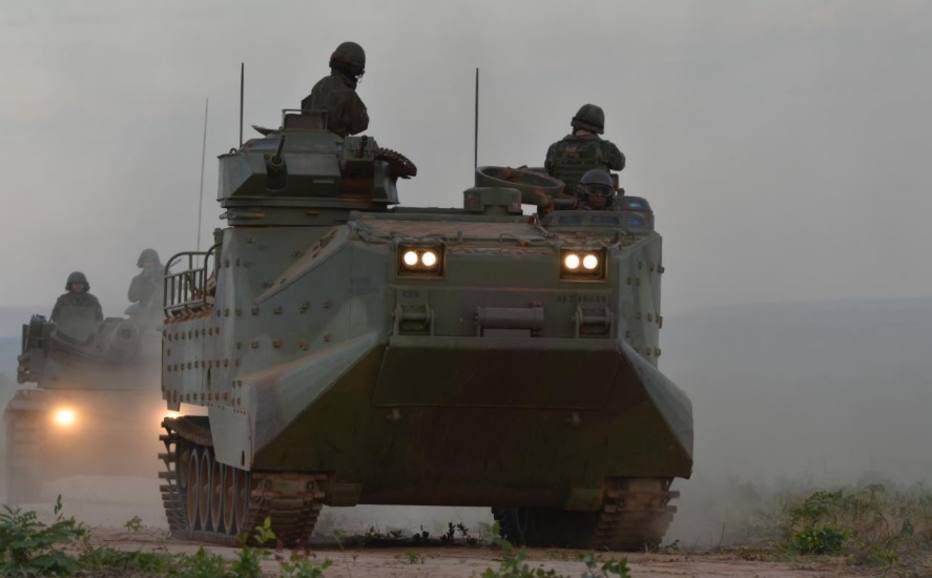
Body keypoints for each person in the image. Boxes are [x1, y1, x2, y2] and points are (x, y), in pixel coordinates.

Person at [544, 104, 625, 192]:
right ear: (597, 129)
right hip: (595, 203)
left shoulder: (555, 148)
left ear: (575, 126)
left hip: (561, 202)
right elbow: (620, 164)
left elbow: (549, 172)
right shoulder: (605, 148)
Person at [301, 41, 369, 137]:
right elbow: (360, 124)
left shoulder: (319, 86)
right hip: (334, 146)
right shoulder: (349, 95)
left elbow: (305, 109)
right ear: (355, 71)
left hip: (309, 140)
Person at [51, 271, 103, 341]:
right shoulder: (63, 300)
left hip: (88, 338)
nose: (78, 285)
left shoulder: (92, 300)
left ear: (84, 285)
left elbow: (99, 319)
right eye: (75, 283)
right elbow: (55, 317)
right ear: (70, 285)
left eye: (80, 283)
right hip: (64, 337)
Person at [126, 248, 163, 329]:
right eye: (146, 261)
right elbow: (132, 297)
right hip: (141, 312)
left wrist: (157, 283)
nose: (149, 264)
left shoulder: (163, 275)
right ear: (142, 263)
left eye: (151, 261)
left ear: (155, 262)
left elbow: (171, 293)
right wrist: (143, 282)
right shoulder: (137, 279)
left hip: (160, 310)